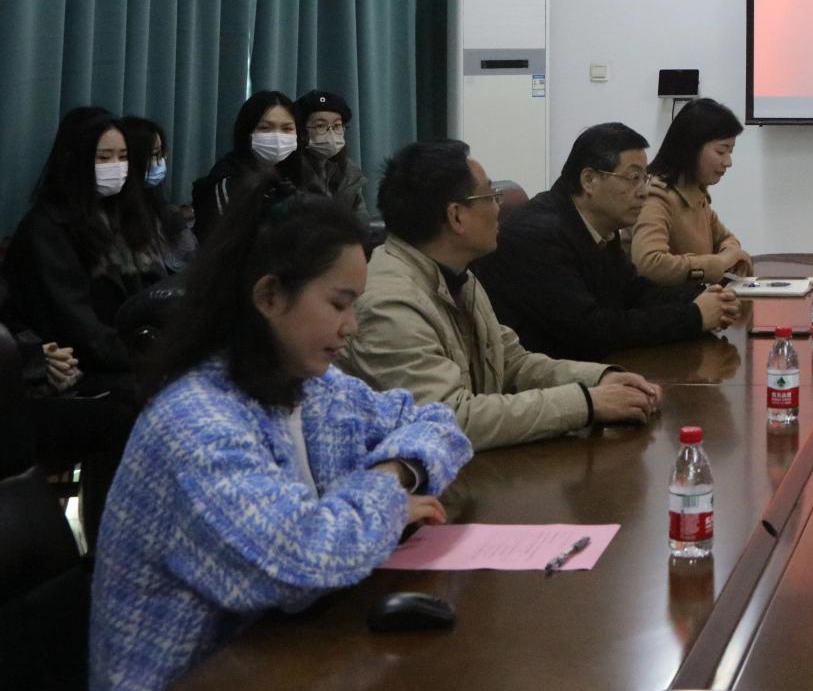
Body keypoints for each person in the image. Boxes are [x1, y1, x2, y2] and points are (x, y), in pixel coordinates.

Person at [89, 178, 471, 691]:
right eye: (338, 304)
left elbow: (438, 424)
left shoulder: (314, 386)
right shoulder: (194, 423)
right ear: (269, 296)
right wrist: (386, 494)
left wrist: (396, 469)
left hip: (290, 658)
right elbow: (302, 562)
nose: (352, 327)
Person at [341, 139, 663, 451]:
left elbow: (511, 362)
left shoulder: (459, 275)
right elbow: (450, 419)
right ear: (456, 216)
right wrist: (586, 404)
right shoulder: (389, 303)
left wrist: (600, 379)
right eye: (491, 196)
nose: (499, 208)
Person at [479, 123, 741, 360]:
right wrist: (694, 316)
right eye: (633, 178)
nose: (644, 191)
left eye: (645, 178)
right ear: (589, 180)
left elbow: (632, 292)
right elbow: (591, 330)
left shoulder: (600, 225)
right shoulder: (539, 235)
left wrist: (704, 298)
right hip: (539, 381)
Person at [5, 110, 174, 382]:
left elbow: (154, 294)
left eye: (123, 157)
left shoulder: (121, 216)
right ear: (74, 160)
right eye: (104, 158)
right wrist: (154, 359)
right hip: (85, 371)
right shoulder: (46, 230)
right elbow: (81, 331)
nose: (116, 167)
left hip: (131, 356)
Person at [634, 98, 756, 288]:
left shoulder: (694, 193)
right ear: (691, 148)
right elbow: (650, 263)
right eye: (721, 151)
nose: (728, 162)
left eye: (730, 152)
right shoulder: (656, 196)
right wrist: (720, 263)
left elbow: (726, 239)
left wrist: (730, 255)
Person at [191, 91, 302, 241]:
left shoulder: (292, 173)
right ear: (247, 133)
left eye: (287, 129)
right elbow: (227, 242)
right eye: (265, 128)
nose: (278, 136)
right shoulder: (228, 180)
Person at [114, 116, 198, 273]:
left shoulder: (167, 212)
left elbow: (194, 261)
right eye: (154, 155)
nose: (160, 162)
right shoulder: (119, 221)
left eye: (161, 154)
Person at [293, 88, 365, 216]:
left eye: (337, 126)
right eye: (320, 126)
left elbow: (362, 219)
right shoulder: (291, 170)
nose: (331, 133)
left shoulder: (348, 172)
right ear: (302, 133)